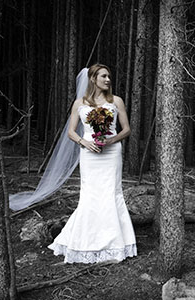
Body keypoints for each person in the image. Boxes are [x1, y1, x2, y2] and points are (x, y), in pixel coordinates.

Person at [48, 64, 137, 264]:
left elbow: (127, 129)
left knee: (111, 192)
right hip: (89, 154)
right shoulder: (79, 104)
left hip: (111, 152)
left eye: (109, 76)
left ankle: (115, 243)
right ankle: (85, 240)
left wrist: (111, 140)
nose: (108, 80)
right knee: (90, 194)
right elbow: (71, 131)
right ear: (93, 79)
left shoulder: (116, 101)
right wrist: (84, 141)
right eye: (104, 76)